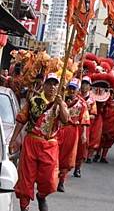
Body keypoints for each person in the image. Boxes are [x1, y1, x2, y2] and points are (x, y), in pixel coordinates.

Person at [10, 73, 69, 211]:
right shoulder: (33, 101)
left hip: (50, 145)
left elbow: (65, 120)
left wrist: (60, 104)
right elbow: (21, 120)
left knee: (50, 181)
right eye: (49, 84)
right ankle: (24, 206)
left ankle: (42, 196)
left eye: (55, 84)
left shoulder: (61, 103)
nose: (52, 87)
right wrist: (13, 139)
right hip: (32, 142)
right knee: (26, 178)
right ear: (44, 85)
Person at [57, 78, 90, 192]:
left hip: (72, 130)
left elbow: (85, 120)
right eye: (70, 88)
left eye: (74, 89)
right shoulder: (61, 99)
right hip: (59, 128)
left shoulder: (82, 104)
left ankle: (61, 181)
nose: (71, 91)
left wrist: (84, 134)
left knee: (67, 156)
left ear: (78, 90)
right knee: (55, 153)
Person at [75, 76, 96, 174]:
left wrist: (84, 114)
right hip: (73, 125)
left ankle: (78, 168)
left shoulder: (92, 101)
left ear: (90, 87)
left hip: (84, 126)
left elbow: (93, 115)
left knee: (82, 147)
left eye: (87, 84)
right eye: (83, 83)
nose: (84, 86)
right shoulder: (75, 97)